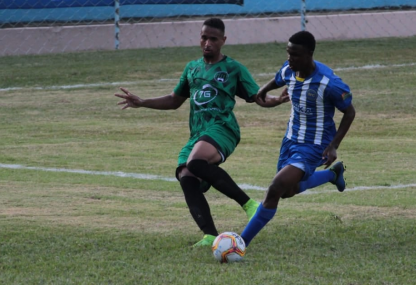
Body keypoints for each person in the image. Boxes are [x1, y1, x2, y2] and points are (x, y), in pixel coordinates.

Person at [114, 18, 289, 247]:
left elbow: (257, 95)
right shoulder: (192, 68)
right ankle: (209, 235)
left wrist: (277, 100)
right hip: (198, 133)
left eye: (213, 39)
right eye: (204, 37)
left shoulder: (233, 69)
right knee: (186, 175)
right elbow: (175, 100)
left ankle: (251, 206)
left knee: (195, 162)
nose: (207, 43)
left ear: (223, 41)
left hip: (223, 128)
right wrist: (143, 102)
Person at [240, 30, 356, 246]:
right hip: (290, 139)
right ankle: (332, 175)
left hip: (315, 146)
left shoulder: (328, 83)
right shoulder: (289, 70)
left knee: (275, 188)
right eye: (288, 53)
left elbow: (350, 112)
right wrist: (263, 90)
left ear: (310, 54)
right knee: (287, 191)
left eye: (295, 55)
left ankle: (240, 243)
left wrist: (333, 146)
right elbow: (277, 79)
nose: (290, 59)